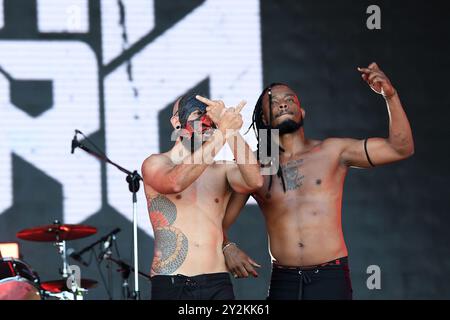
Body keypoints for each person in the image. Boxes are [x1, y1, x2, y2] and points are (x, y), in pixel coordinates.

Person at [222, 62, 415, 300]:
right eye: (273, 101)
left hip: (330, 277)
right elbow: (217, 223)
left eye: (290, 99)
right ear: (264, 118)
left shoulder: (332, 151)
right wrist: (226, 247)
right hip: (284, 281)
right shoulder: (258, 167)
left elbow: (400, 148)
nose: (283, 103)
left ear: (302, 112)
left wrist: (390, 96)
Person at [141, 94, 263, 300]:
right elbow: (176, 182)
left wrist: (231, 131)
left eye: (210, 116)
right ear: (176, 121)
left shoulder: (221, 170)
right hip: (172, 281)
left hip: (217, 281)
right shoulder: (155, 163)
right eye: (198, 113)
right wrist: (223, 132)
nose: (206, 120)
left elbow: (255, 181)